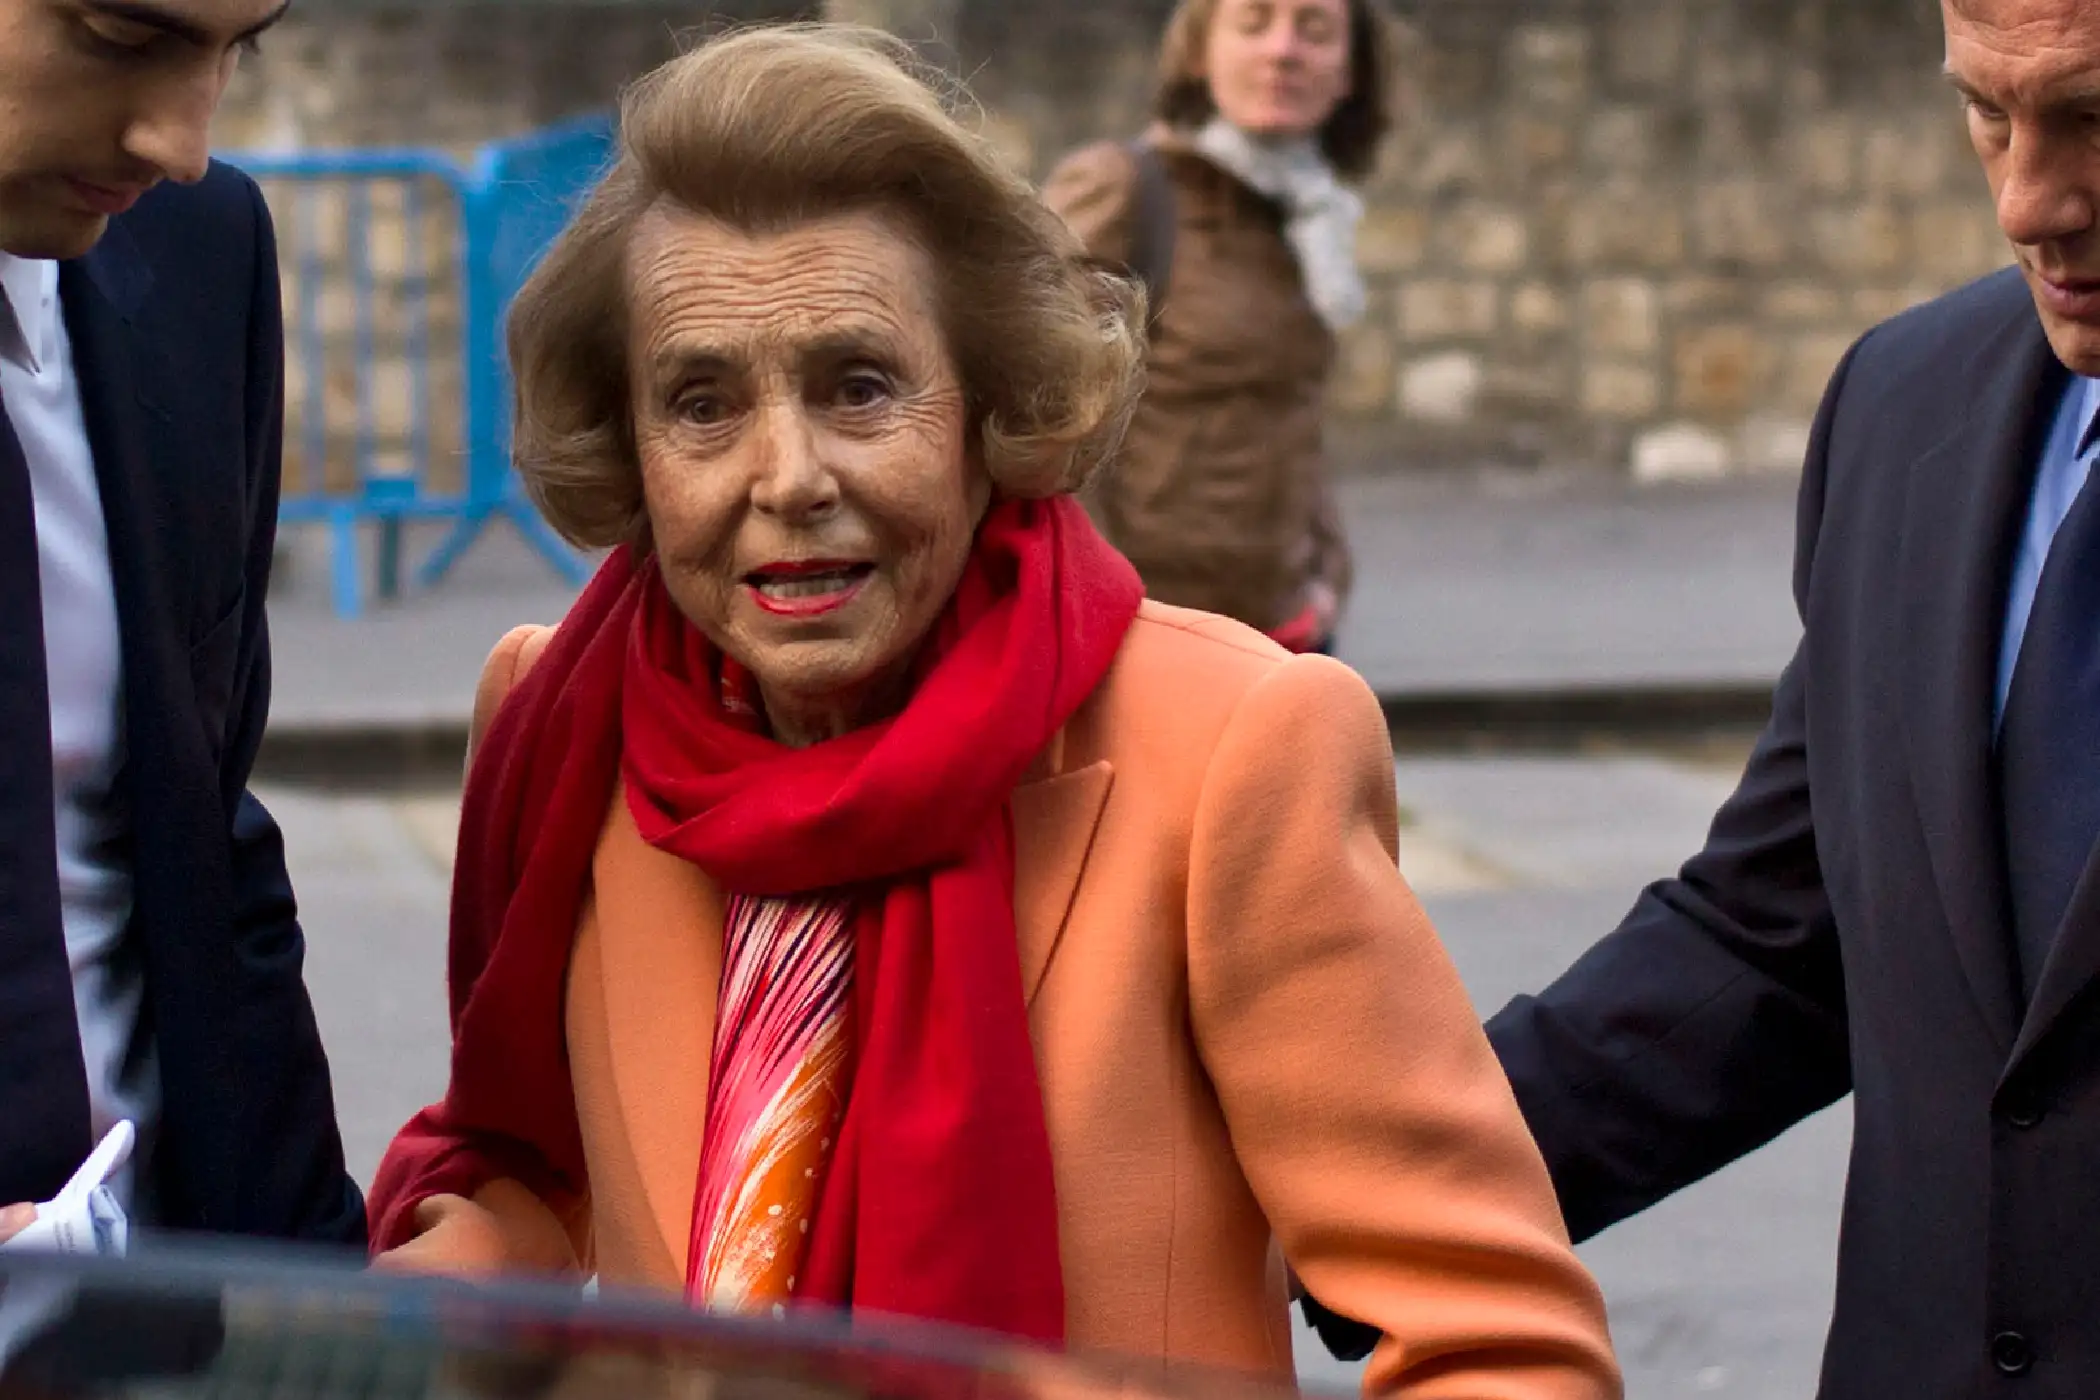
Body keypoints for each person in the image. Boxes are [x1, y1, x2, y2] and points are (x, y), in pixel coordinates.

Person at [364, 25, 1620, 1399]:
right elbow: (525, 1176)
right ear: (630, 444)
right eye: (703, 403)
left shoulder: (1237, 751)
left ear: (991, 410)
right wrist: (389, 1338)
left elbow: (1502, 1349)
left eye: (859, 385)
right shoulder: (558, 720)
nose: (789, 477)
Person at [1358, 0, 2100, 1392]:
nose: (2026, 199)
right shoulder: (1905, 408)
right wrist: (1360, 1181)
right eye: (1987, 114)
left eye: (2095, 121)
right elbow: (1776, 941)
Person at [0, 0, 362, 1246]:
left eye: (237, 46)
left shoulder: (198, 252)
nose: (182, 140)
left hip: (167, 1311)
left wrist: (322, 1305)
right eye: (116, 32)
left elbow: (203, 843)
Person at [1039, 0, 1390, 656]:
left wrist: (1327, 571)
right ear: (1200, 50)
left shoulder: (1310, 216)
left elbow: (1292, 415)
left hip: (1286, 635)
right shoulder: (1126, 189)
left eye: (1314, 30)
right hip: (1151, 638)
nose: (1283, 50)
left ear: (1349, 72)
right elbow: (1040, 415)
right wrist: (1109, 610)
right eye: (1253, 23)